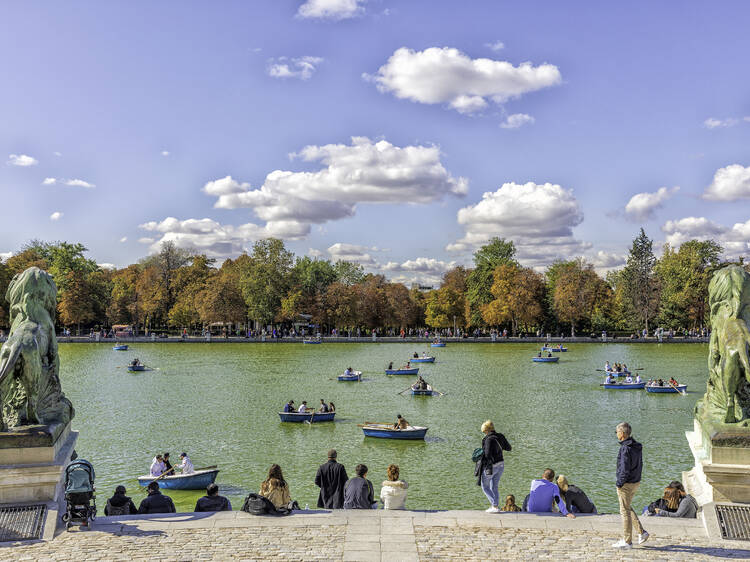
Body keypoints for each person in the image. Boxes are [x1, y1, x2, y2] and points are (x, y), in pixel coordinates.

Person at [613, 422, 648, 549]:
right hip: (636, 482)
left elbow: (624, 469)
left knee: (624, 511)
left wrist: (619, 483)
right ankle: (642, 532)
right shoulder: (637, 446)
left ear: (622, 434)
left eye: (617, 432)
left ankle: (627, 541)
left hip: (626, 484)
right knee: (627, 507)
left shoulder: (625, 449)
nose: (616, 434)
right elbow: (640, 464)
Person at [477, 420, 512, 513]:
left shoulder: (488, 439)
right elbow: (509, 448)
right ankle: (495, 506)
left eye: (484, 432)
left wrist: (481, 457)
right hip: (501, 465)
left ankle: (495, 505)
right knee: (494, 486)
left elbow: (487, 454)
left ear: (486, 430)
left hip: (492, 466)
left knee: (485, 487)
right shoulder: (500, 436)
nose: (484, 434)